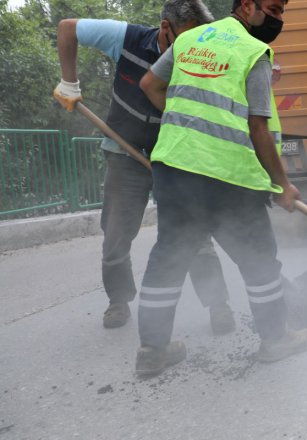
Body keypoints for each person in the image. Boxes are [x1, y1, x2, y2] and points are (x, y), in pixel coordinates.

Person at [136, 0, 307, 376]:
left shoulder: (190, 40)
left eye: (282, 11)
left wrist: (189, 126)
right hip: (229, 176)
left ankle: (152, 350)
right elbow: (258, 127)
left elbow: (150, 84)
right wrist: (282, 184)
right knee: (259, 262)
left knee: (168, 258)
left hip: (175, 166)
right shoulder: (254, 52)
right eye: (273, 9)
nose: (278, 18)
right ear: (247, 5)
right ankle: (276, 339)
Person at [52, 0, 236, 334]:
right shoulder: (127, 39)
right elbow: (67, 28)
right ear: (166, 28)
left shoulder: (200, 57)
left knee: (194, 233)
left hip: (175, 155)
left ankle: (217, 303)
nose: (194, 47)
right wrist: (70, 84)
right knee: (116, 234)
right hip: (126, 153)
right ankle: (118, 301)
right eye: (187, 38)